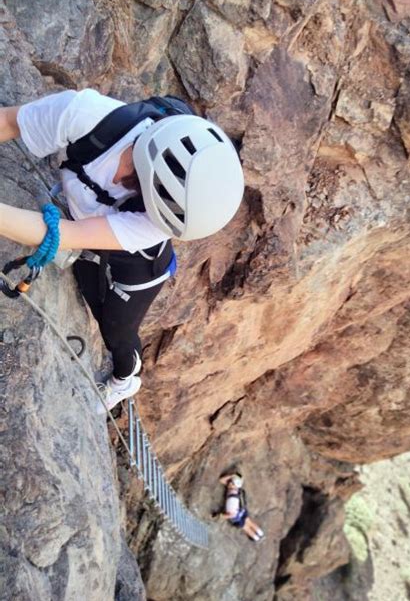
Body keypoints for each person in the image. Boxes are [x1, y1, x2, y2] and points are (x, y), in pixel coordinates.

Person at [0, 89, 244, 412]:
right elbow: (8, 121)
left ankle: (125, 380)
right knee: (89, 287)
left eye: (150, 199)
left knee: (115, 327)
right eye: (140, 182)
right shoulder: (89, 116)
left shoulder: (152, 223)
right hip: (102, 239)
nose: (139, 196)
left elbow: (67, 234)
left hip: (141, 268)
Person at [219, 473, 264, 542]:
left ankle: (256, 537)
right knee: (249, 522)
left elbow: (221, 480)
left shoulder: (232, 490)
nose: (230, 484)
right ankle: (260, 533)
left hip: (236, 515)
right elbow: (222, 480)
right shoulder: (237, 490)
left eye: (232, 483)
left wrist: (231, 475)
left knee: (246, 527)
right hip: (241, 511)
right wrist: (232, 476)